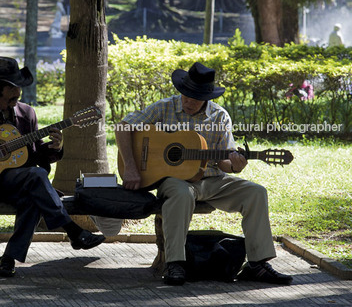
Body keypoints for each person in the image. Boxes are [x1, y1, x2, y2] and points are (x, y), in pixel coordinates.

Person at [115, 62, 293, 286]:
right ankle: (175, 263)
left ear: (207, 97)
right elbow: (123, 127)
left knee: (256, 192)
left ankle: (256, 264)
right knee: (181, 194)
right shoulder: (163, 108)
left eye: (195, 98)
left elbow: (225, 162)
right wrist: (131, 167)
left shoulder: (219, 117)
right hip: (176, 181)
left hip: (213, 180)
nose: (188, 102)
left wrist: (237, 165)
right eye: (185, 96)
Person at [0, 56, 105, 277]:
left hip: (16, 183)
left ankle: (9, 259)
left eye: (19, 88)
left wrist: (55, 147)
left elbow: (32, 155)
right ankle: (72, 231)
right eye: (12, 89)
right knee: (36, 178)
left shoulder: (27, 113)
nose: (18, 94)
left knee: (34, 190)